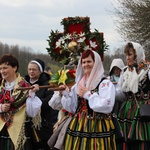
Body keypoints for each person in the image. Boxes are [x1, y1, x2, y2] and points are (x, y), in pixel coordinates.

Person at [49, 49, 116, 150]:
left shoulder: (105, 83)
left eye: (89, 61)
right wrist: (66, 94)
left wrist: (88, 94)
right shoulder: (79, 84)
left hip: (98, 125)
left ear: (96, 63)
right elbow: (72, 108)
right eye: (83, 62)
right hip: (79, 124)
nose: (86, 65)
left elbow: (107, 106)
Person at [0, 54, 42, 150]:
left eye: (5, 68)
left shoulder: (25, 86)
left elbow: (32, 113)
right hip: (1, 128)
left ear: (15, 68)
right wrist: (1, 107)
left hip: (20, 129)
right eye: (1, 68)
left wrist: (31, 94)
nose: (2, 71)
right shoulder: (0, 86)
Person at [115, 42, 150, 149]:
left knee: (143, 141)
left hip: (143, 112)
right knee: (126, 141)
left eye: (130, 54)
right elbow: (121, 94)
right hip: (126, 112)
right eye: (126, 55)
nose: (127, 58)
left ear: (137, 54)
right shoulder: (125, 71)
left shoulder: (147, 70)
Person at [25, 58, 58, 150]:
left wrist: (32, 99)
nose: (31, 71)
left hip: (42, 125)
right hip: (25, 124)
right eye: (30, 69)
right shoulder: (23, 83)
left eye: (34, 69)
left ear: (40, 71)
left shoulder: (47, 84)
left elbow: (49, 103)